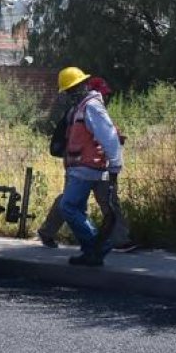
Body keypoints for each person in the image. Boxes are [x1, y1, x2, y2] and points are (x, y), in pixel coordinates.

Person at [37, 76, 134, 251]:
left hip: (93, 164)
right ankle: (99, 244)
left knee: (95, 202)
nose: (106, 97)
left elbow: (103, 135)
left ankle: (117, 241)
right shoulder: (88, 108)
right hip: (85, 165)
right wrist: (115, 162)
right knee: (72, 204)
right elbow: (102, 136)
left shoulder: (85, 107)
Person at [53, 67, 124, 267]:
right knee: (78, 210)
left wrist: (116, 165)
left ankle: (96, 245)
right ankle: (90, 253)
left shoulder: (91, 107)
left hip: (86, 168)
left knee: (67, 207)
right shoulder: (84, 106)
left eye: (69, 90)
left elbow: (108, 136)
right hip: (82, 167)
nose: (67, 95)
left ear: (78, 87)